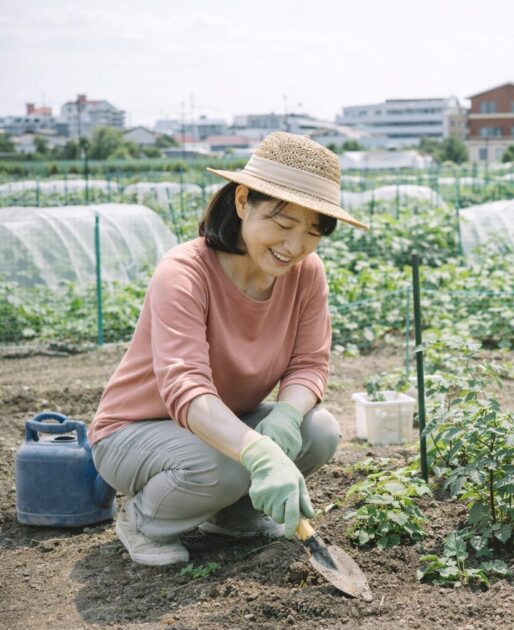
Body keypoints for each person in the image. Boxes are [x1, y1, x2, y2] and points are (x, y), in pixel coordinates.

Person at [89, 131, 368, 566]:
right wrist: (257, 451)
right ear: (242, 202)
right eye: (283, 223)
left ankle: (235, 517)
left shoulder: (306, 272)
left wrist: (287, 417)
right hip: (134, 432)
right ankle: (142, 520)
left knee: (319, 431)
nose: (295, 247)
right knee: (226, 464)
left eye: (313, 230)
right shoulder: (184, 272)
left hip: (222, 422)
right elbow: (185, 386)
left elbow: (310, 363)